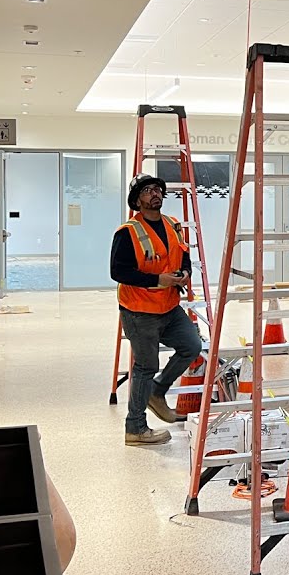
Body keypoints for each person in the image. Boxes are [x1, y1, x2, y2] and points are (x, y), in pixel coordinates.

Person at [110, 173, 202, 446]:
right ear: (137, 200)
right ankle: (135, 428)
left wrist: (184, 272)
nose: (155, 194)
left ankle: (157, 391)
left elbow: (183, 254)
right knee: (146, 366)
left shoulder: (173, 224)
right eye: (148, 190)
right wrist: (156, 280)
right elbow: (118, 271)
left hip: (169, 306)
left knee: (191, 346)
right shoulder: (128, 232)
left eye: (157, 189)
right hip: (139, 310)